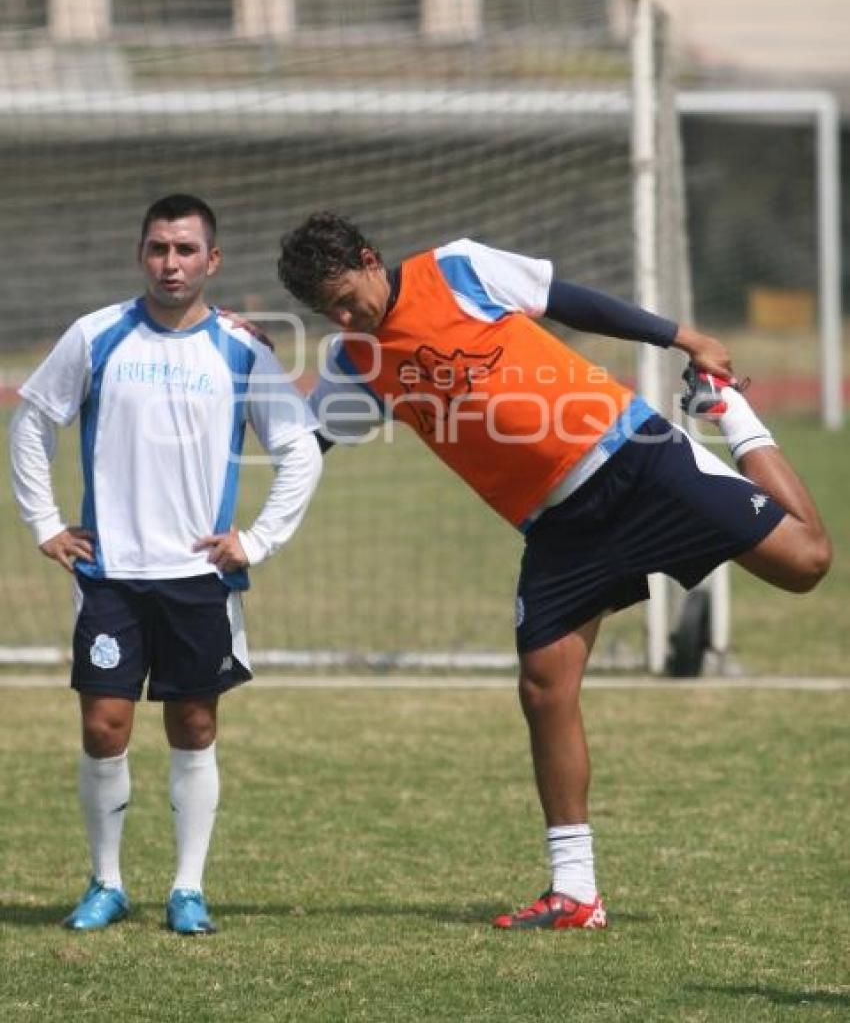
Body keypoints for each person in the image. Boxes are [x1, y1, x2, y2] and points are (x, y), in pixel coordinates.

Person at [277, 212, 831, 931]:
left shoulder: (458, 269)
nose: (346, 315)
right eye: (330, 311)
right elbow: (305, 437)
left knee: (806, 562)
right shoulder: (355, 360)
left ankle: (728, 409)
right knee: (544, 685)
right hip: (559, 527)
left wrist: (683, 339)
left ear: (369, 258)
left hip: (634, 460)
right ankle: (575, 890)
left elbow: (569, 300)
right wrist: (230, 375)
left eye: (348, 296)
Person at [10, 194, 322, 935]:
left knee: (194, 723)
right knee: (104, 724)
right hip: (110, 571)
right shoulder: (96, 335)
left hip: (198, 579)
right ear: (139, 254)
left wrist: (257, 539)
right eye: (158, 248)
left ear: (212, 260)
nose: (171, 262)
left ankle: (187, 888)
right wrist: (45, 523)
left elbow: (299, 448)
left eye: (186, 250)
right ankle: (107, 880)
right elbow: (32, 419)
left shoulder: (242, 348)